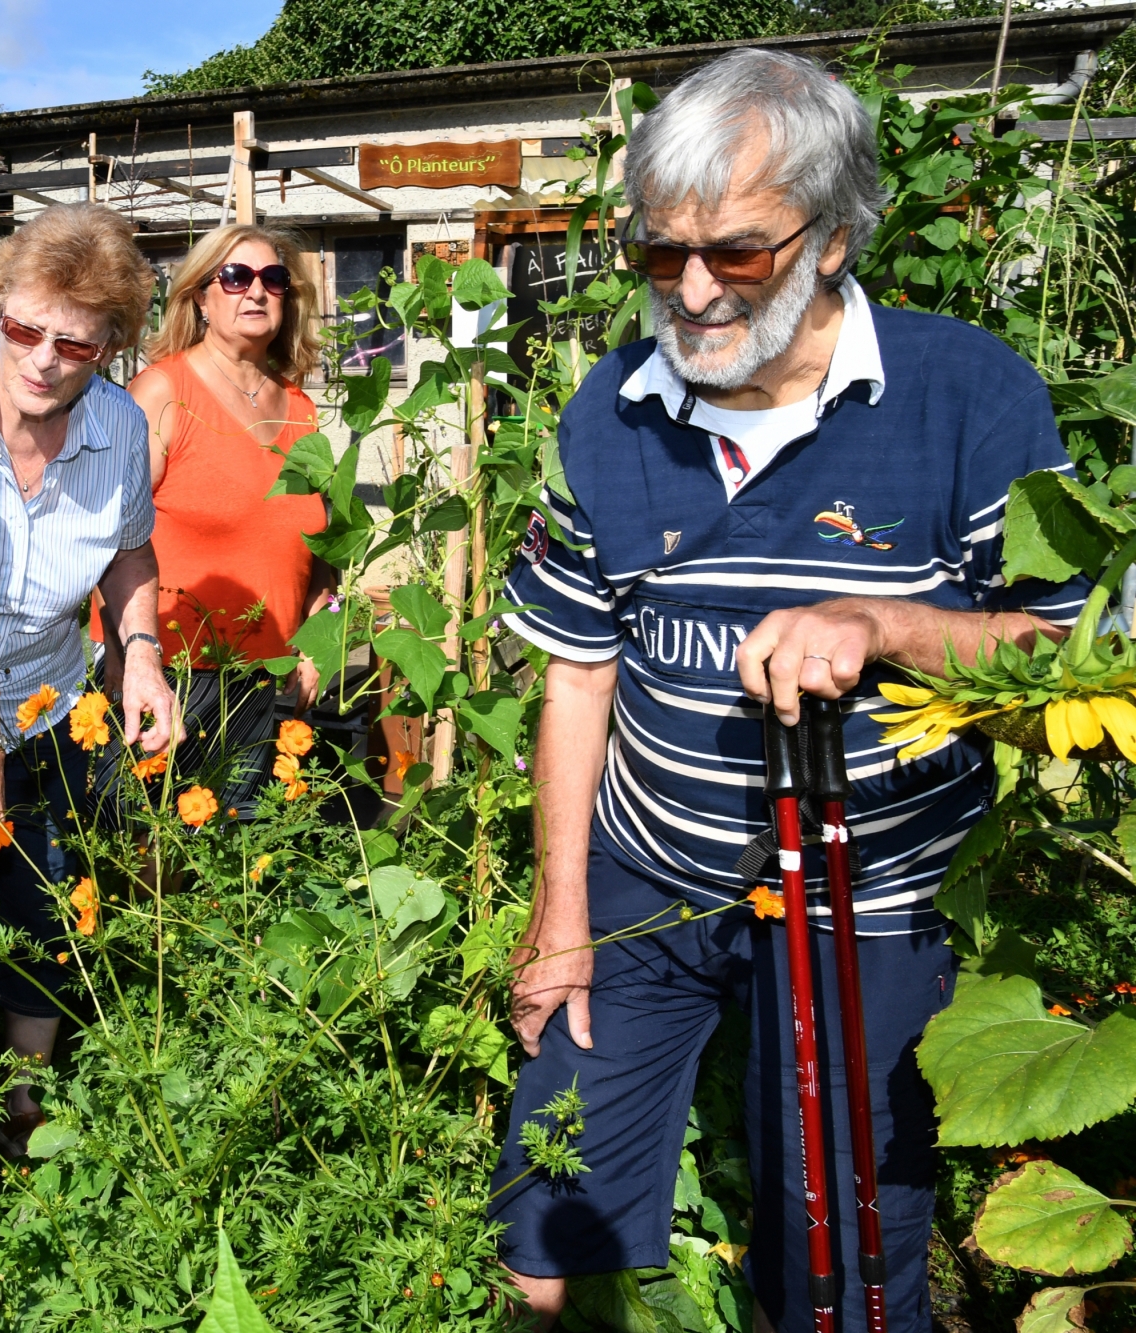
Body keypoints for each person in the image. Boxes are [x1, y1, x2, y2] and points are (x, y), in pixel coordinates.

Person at [488, 49, 1088, 1331]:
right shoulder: (609, 410)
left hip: (864, 895)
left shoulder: (965, 390)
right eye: (661, 254)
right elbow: (577, 672)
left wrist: (878, 623)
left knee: (838, 1245)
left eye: (736, 254)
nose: (692, 290)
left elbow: (1057, 649)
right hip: (645, 883)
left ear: (834, 235)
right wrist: (559, 916)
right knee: (541, 1220)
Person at [0, 204, 174, 1148]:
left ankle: (24, 1117)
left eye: (74, 341)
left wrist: (139, 650)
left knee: (40, 910)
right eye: (23, 329)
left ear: (110, 345)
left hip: (52, 710)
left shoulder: (119, 428)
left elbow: (130, 559)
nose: (41, 359)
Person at [128, 224, 335, 811]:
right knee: (159, 854)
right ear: (200, 295)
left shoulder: (299, 408)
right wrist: (134, 663)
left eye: (273, 279)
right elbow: (113, 542)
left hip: (270, 675)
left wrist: (316, 644)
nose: (256, 292)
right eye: (236, 277)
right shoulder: (164, 393)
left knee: (238, 865)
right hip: (179, 675)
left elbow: (320, 547)